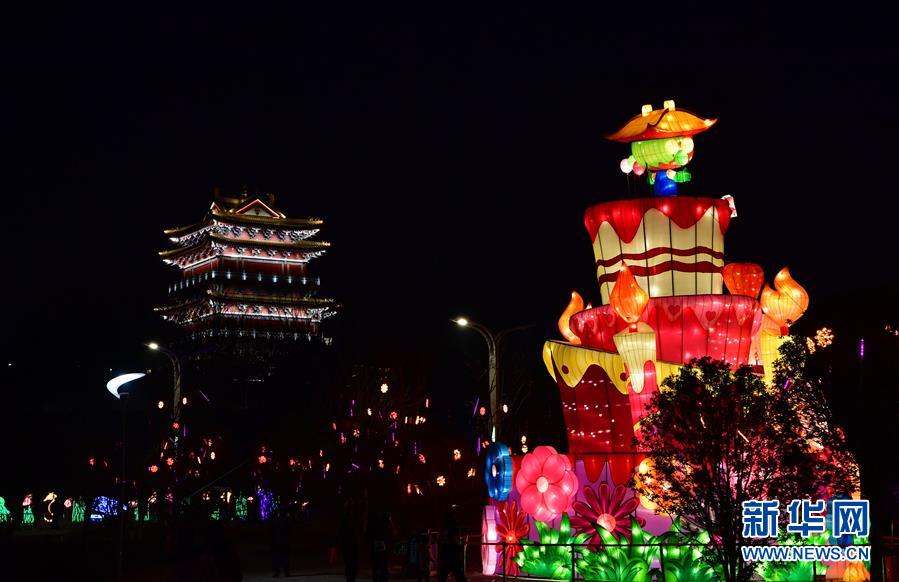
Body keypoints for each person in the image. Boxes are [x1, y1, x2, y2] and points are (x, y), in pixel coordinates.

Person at [335, 499, 361, 582]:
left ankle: (350, 579)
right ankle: (350, 579)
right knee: (351, 565)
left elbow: (340, 532)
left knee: (350, 565)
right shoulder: (351, 518)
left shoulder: (348, 518)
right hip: (351, 544)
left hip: (349, 544)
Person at [438, 512, 467, 582]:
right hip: (452, 552)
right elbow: (456, 539)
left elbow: (443, 540)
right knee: (457, 573)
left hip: (448, 552)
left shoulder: (445, 528)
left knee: (444, 574)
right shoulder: (453, 527)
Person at [367, 510, 395, 582]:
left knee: (376, 568)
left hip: (376, 549)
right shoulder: (387, 525)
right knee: (383, 568)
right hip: (383, 550)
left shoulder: (376, 525)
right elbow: (394, 534)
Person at [270, 506, 291, 577]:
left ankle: (278, 572)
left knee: (278, 557)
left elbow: (272, 530)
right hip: (283, 541)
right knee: (284, 556)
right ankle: (285, 572)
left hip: (278, 541)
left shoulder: (276, 520)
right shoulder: (286, 520)